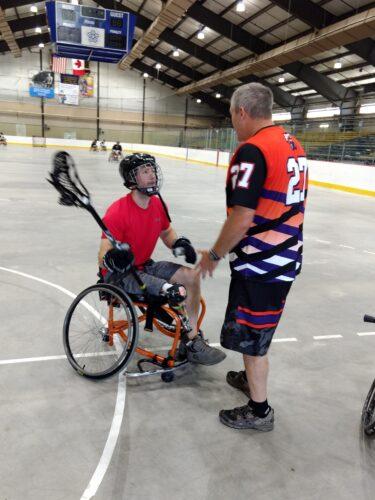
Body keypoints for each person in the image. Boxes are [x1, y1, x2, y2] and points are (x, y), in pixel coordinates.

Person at [198, 82, 308, 431]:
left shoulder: (252, 151)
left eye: (232, 115)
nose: (232, 122)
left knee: (254, 336)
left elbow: (242, 217)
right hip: (287, 257)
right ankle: (250, 379)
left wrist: (215, 253)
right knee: (256, 332)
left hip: (262, 263)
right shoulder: (292, 143)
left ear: (242, 111)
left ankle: (259, 410)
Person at [98, 152, 226, 366]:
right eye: (145, 171)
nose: (152, 176)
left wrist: (179, 244)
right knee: (173, 290)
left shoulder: (156, 205)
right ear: (131, 180)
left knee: (191, 277)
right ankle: (192, 341)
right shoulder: (117, 212)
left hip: (145, 266)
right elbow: (103, 255)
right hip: (121, 274)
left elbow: (167, 233)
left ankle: (191, 338)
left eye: (152, 170)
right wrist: (114, 258)